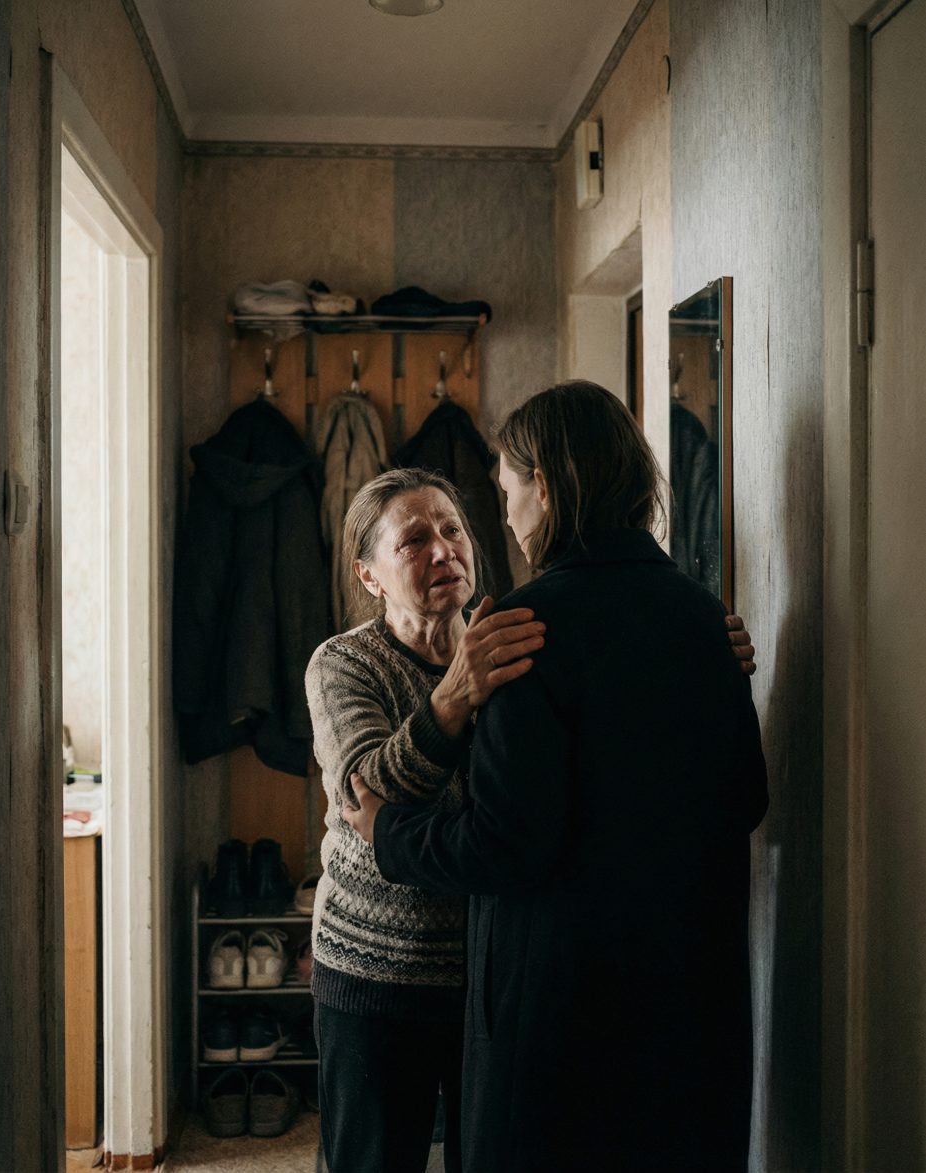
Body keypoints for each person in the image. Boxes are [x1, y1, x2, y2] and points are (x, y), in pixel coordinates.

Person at [344, 380, 769, 1173]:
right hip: (692, 998)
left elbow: (505, 845)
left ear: (542, 486)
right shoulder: (702, 616)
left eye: (504, 490)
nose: (503, 516)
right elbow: (746, 797)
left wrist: (388, 831)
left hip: (565, 1017)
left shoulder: (521, 631)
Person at [304, 467, 546, 1173]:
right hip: (370, 975)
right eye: (413, 540)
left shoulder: (510, 645)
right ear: (369, 575)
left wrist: (710, 647)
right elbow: (369, 790)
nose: (444, 549)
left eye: (452, 529)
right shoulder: (343, 663)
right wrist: (454, 696)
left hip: (488, 975)